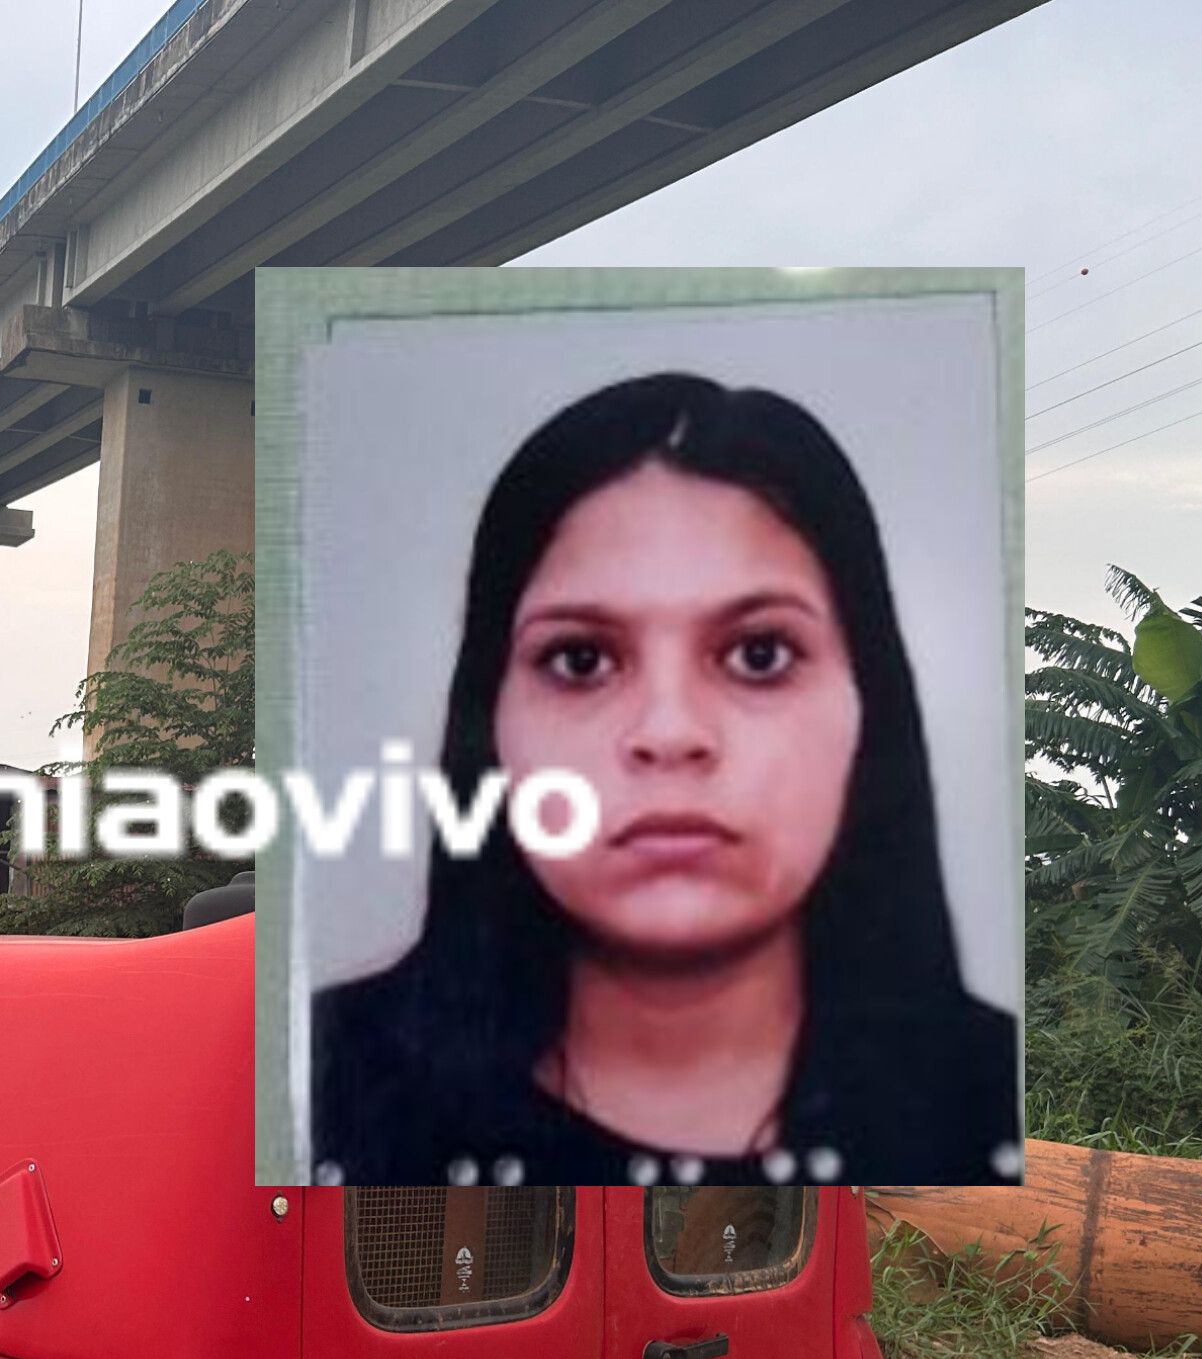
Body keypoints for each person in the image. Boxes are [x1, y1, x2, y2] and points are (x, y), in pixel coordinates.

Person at [311, 372, 1018, 1186]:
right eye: (582, 660)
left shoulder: (998, 1109)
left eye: (759, 654)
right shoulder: (318, 1085)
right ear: (490, 715)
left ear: (869, 702)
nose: (670, 733)